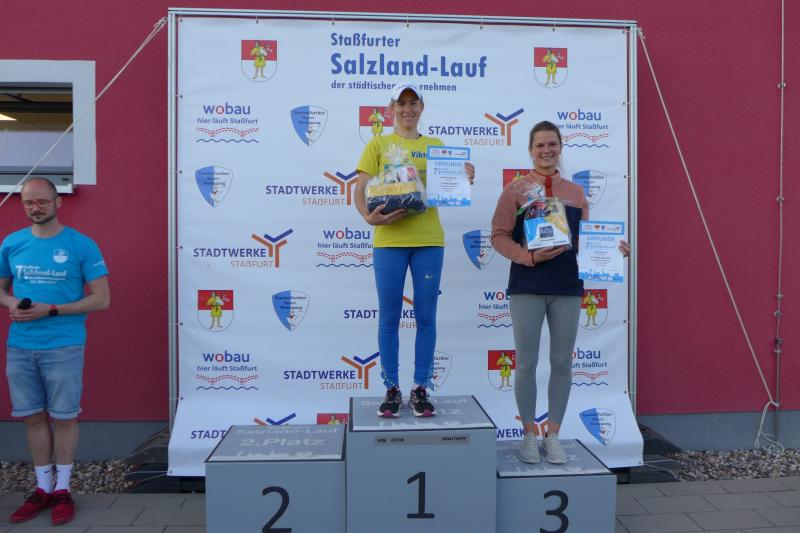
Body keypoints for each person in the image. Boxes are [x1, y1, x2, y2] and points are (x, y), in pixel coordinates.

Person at [491, 121, 628, 464]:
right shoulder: (515, 190)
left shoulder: (576, 193)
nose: (546, 150)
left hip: (566, 286)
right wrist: (527, 257)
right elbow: (498, 236)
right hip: (527, 286)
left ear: (561, 147)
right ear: (530, 150)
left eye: (552, 144)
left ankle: (552, 435)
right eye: (540, 145)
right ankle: (528, 434)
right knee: (526, 363)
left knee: (562, 363)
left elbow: (584, 241)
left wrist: (612, 249)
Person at [355, 84, 474, 418]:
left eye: (413, 103)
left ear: (422, 107)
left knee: (425, 316)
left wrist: (464, 178)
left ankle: (420, 387)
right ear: (391, 108)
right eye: (401, 103)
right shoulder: (377, 144)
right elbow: (359, 189)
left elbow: (448, 188)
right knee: (389, 316)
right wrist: (367, 216)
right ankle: (391, 388)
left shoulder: (435, 146)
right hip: (389, 241)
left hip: (428, 241)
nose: (407, 109)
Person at [0, 177, 110, 525]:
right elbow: (1, 290)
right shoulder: (12, 243)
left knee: (64, 418)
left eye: (42, 201)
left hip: (64, 345)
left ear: (57, 202)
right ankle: (42, 489)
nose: (35, 208)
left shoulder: (81, 245)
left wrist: (51, 310)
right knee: (33, 417)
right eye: (29, 202)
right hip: (20, 346)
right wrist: (11, 302)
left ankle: (63, 489)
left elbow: (101, 299)